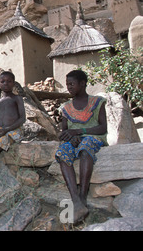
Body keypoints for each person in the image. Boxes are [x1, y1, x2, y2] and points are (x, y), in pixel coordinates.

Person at [55, 70, 107, 224]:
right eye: (67, 84)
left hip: (93, 138)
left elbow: (103, 128)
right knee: (62, 152)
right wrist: (70, 136)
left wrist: (80, 131)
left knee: (85, 148)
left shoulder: (97, 102)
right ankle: (75, 200)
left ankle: (83, 196)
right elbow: (64, 132)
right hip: (74, 141)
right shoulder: (65, 107)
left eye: (72, 84)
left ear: (83, 83)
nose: (68, 87)